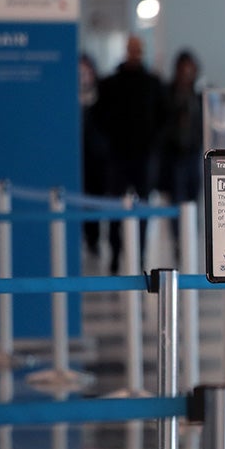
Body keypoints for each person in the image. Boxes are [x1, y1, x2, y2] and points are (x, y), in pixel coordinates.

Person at [94, 35, 167, 274]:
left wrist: (153, 143)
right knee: (115, 209)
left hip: (143, 156)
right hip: (117, 156)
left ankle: (140, 255)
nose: (134, 53)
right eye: (131, 49)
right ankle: (115, 253)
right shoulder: (111, 84)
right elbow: (99, 118)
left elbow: (162, 119)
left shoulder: (153, 84)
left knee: (143, 210)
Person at [159, 49, 204, 263]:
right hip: (175, 154)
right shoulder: (168, 93)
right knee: (176, 199)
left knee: (192, 197)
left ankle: (191, 239)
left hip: (193, 154)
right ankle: (179, 241)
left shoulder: (198, 95)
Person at [79, 53, 108, 258]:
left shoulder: (102, 94)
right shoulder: (69, 97)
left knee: (94, 198)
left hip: (97, 157)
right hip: (77, 156)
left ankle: (93, 238)